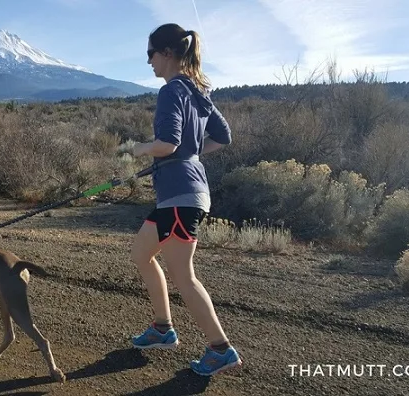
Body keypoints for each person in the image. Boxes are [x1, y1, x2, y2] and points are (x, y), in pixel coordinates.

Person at [130, 22, 241, 376]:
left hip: (180, 196)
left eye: (150, 54)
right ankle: (162, 328)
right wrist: (187, 157)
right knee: (141, 253)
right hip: (181, 193)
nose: (148, 62)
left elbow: (168, 143)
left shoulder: (171, 92)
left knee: (183, 275)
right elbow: (222, 138)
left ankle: (220, 349)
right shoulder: (197, 90)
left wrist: (142, 149)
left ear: (167, 54)